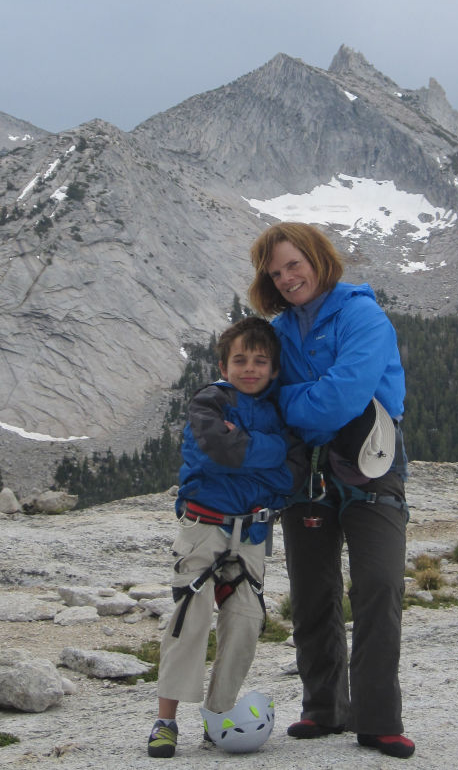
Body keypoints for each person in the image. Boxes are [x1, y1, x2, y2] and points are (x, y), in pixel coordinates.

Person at [248, 222, 415, 759]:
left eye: (293, 265)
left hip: (372, 468)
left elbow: (340, 400)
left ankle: (378, 720)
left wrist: (291, 400)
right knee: (312, 592)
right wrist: (303, 398)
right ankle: (324, 708)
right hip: (308, 475)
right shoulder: (279, 330)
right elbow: (262, 395)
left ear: (318, 259)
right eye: (276, 272)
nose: (286, 278)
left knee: (378, 585)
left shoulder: (362, 315)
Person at [147, 317, 306, 758]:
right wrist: (270, 452)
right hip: (204, 528)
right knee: (190, 618)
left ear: (274, 369)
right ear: (223, 366)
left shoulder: (281, 411)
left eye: (260, 361)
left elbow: (292, 475)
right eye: (240, 360)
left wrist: (247, 448)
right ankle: (166, 721)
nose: (250, 368)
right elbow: (217, 452)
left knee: (245, 624)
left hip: (251, 533)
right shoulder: (209, 401)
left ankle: (216, 718)